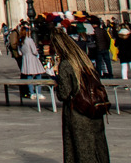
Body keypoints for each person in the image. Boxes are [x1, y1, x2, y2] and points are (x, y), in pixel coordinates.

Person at [51, 27, 111, 163]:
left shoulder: (66, 64)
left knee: (80, 150)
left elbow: (64, 94)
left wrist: (57, 86)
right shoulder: (85, 60)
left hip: (78, 113)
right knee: (99, 148)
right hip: (94, 108)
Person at [19, 24, 46, 99]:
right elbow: (34, 51)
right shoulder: (29, 40)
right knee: (38, 75)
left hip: (25, 59)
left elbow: (20, 53)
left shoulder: (21, 41)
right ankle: (38, 92)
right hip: (32, 59)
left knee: (29, 76)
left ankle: (31, 93)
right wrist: (37, 52)